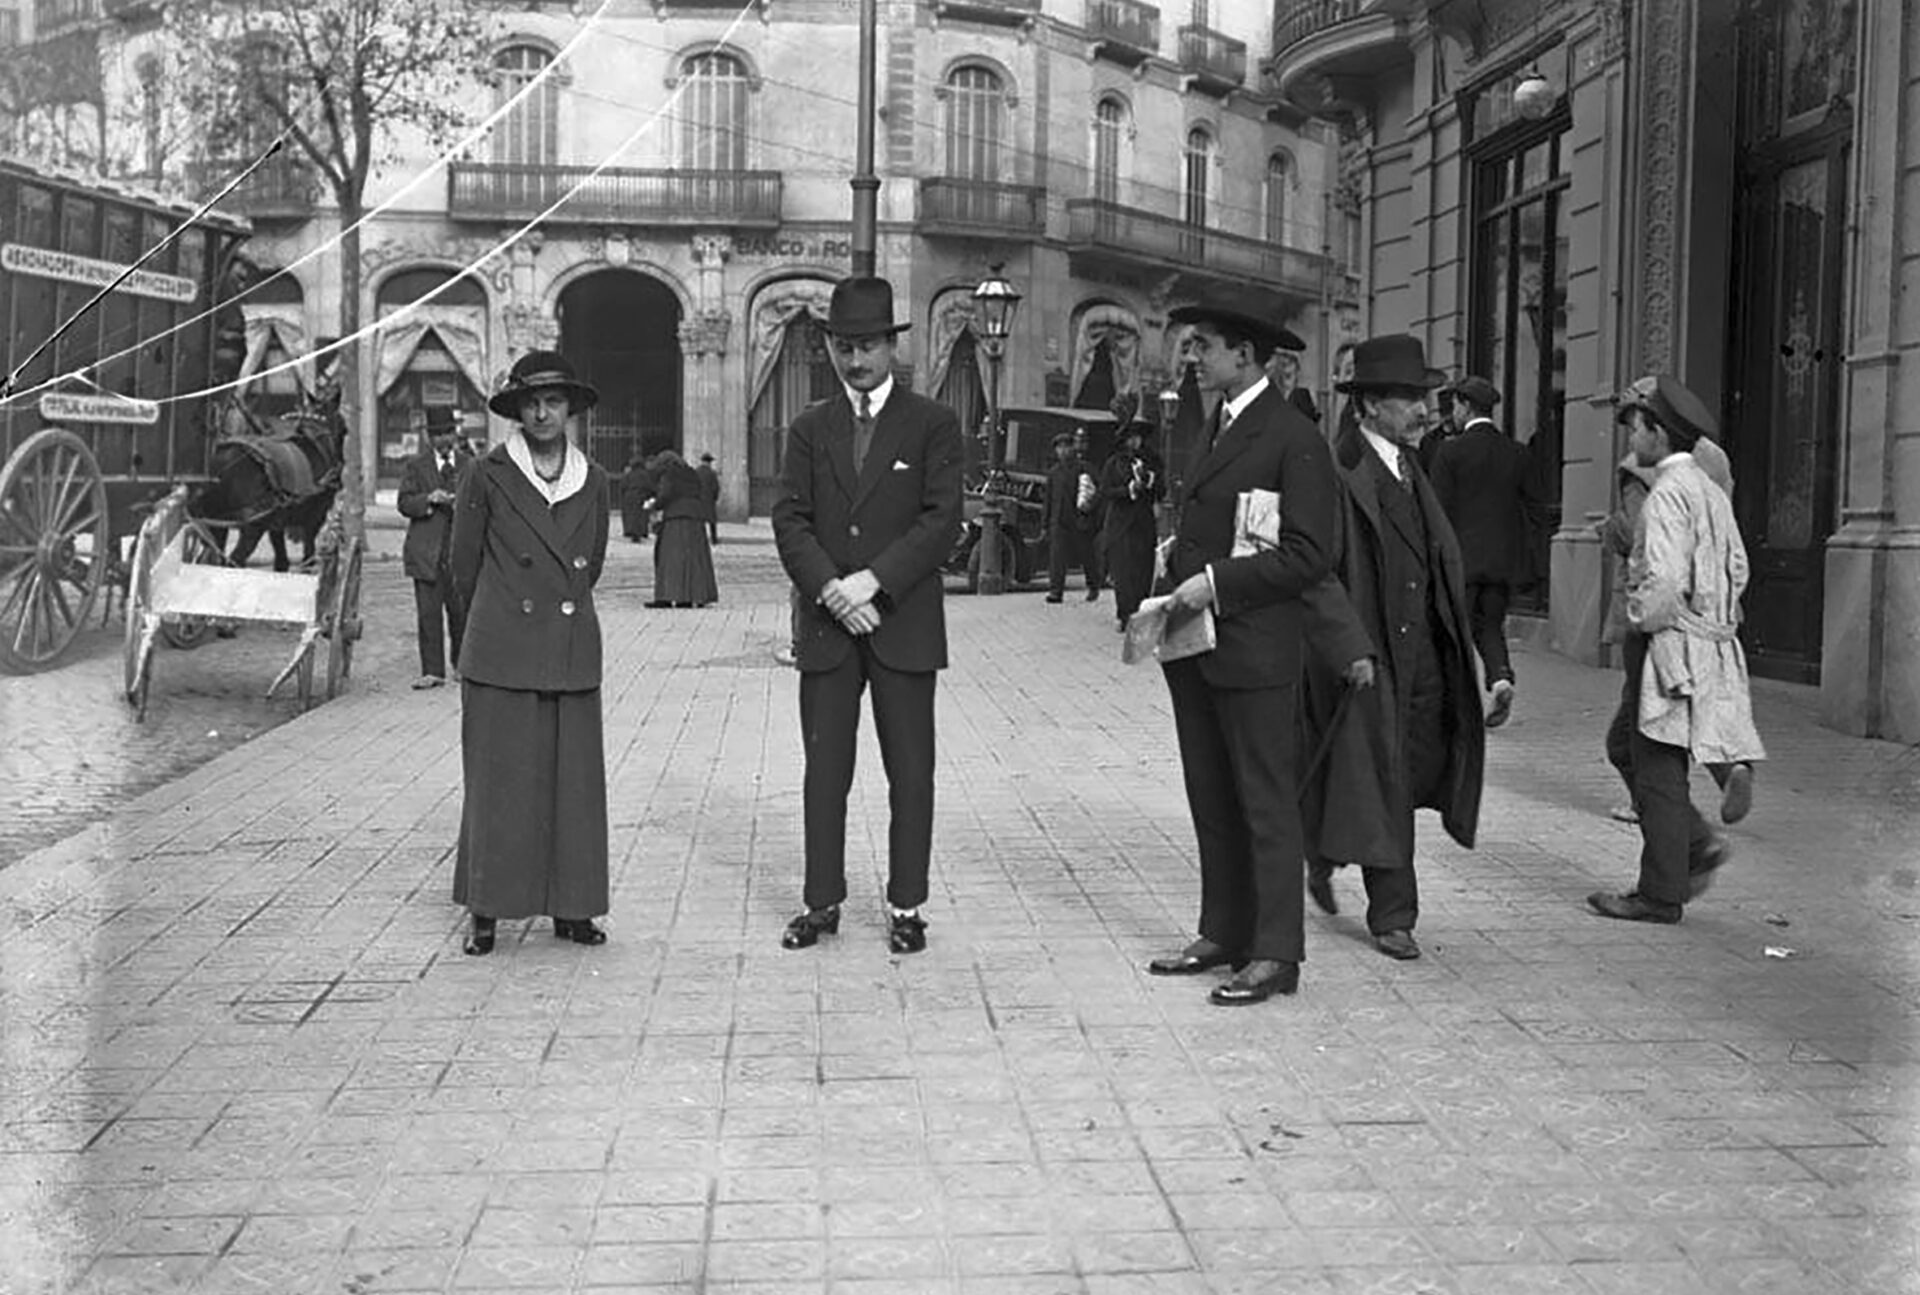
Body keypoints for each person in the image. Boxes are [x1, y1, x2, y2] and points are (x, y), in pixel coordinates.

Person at [1146, 303, 1337, 1006]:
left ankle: (1276, 951)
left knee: (1263, 799)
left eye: (1207, 347)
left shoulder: (1294, 438)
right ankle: (1222, 930)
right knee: (1212, 794)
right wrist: (1176, 561)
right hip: (1197, 646)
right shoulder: (1218, 422)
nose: (1194, 357)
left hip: (1253, 649)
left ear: (1247, 355)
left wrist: (1215, 580)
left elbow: (1313, 554)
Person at [771, 276, 964, 954]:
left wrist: (874, 587)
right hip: (829, 628)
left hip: (902, 625)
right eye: (845, 347)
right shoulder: (808, 427)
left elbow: (941, 522)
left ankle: (907, 905)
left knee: (910, 773)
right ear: (829, 347)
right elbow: (789, 518)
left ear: (892, 347)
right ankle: (821, 901)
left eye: (869, 346)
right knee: (825, 772)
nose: (857, 360)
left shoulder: (933, 424)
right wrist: (831, 590)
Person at [1300, 336, 1486, 962]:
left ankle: (1324, 848)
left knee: (1412, 771)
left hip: (1425, 656)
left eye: (1425, 396)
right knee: (1385, 775)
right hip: (1370, 652)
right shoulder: (1339, 471)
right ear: (1371, 406)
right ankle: (1393, 915)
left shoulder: (1413, 469)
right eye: (1409, 398)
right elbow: (1318, 571)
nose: (1424, 409)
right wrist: (1350, 646)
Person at [449, 350, 612, 956]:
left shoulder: (592, 480)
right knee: (500, 785)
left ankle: (573, 910)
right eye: (531, 402)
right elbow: (460, 566)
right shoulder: (485, 474)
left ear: (570, 409)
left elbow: (588, 565)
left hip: (569, 650)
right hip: (499, 652)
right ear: (516, 411)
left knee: (573, 788)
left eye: (553, 401)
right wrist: (485, 637)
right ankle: (487, 912)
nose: (542, 412)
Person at [1589, 375, 1765, 923]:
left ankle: (1661, 892)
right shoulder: (1710, 490)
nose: (1630, 439)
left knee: (1656, 766)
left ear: (1658, 433)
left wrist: (1644, 619)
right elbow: (1739, 567)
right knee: (1628, 746)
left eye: (1635, 427)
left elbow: (1661, 584)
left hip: (1664, 644)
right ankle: (1694, 842)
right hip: (1708, 640)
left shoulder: (1665, 495)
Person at [1602, 431, 1745, 824]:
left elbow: (1637, 535)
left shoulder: (1641, 472)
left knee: (1632, 735)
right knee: (1696, 701)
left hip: (1663, 613)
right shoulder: (1712, 458)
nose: (1632, 432)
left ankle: (1665, 820)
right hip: (1709, 609)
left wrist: (1611, 530)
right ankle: (1729, 768)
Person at [1430, 375, 1545, 728]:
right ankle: (1500, 679)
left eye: (1455, 407)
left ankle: (1458, 708)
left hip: (1459, 561)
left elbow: (1437, 510)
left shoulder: (1449, 452)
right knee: (1490, 625)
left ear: (1464, 406)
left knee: (1454, 631)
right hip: (1500, 562)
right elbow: (1535, 506)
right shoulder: (1516, 453)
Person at [397, 408, 471, 690]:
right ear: (429, 437)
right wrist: (429, 499)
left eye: (447, 433)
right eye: (437, 434)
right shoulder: (416, 466)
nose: (443, 439)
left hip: (459, 554)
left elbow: (481, 502)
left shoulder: (469, 464)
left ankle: (462, 667)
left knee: (461, 614)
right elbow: (404, 503)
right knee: (428, 615)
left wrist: (459, 502)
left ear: (455, 433)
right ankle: (432, 671)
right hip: (425, 553)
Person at [1097, 421, 1163, 631]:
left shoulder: (1152, 461)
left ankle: (1140, 613)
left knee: (1142, 571)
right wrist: (1128, 490)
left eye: (1139, 437)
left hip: (1143, 523)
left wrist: (1152, 482)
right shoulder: (1114, 463)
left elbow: (1162, 490)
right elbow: (1106, 491)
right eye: (1131, 438)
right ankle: (1125, 614)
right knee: (1123, 572)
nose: (1136, 442)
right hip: (1121, 524)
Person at [647, 449, 718, 608]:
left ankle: (667, 595)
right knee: (694, 560)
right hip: (695, 519)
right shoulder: (692, 474)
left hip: (676, 518)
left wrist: (654, 504)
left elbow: (666, 495)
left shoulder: (669, 474)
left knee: (671, 559)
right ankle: (688, 598)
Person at [1043, 432, 1103, 603]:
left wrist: (1090, 509)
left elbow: (1099, 490)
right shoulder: (1054, 473)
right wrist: (1045, 524)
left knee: (1086, 556)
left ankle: (1093, 585)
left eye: (1065, 447)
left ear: (1072, 448)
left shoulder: (1084, 468)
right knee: (1057, 558)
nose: (1062, 451)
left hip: (1079, 520)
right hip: (1059, 521)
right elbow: (1048, 500)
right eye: (1059, 448)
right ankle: (1056, 591)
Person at [618, 450, 653, 543]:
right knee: (642, 516)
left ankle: (631, 532)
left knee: (631, 516)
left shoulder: (629, 474)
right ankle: (641, 532)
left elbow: (623, 486)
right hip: (642, 497)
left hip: (630, 497)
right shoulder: (646, 474)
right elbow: (650, 486)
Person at [696, 451, 721, 545]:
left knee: (699, 520)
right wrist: (715, 497)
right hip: (709, 499)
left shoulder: (696, 472)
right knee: (712, 521)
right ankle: (714, 539)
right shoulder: (712, 473)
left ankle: (699, 539)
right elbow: (716, 487)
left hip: (698, 499)